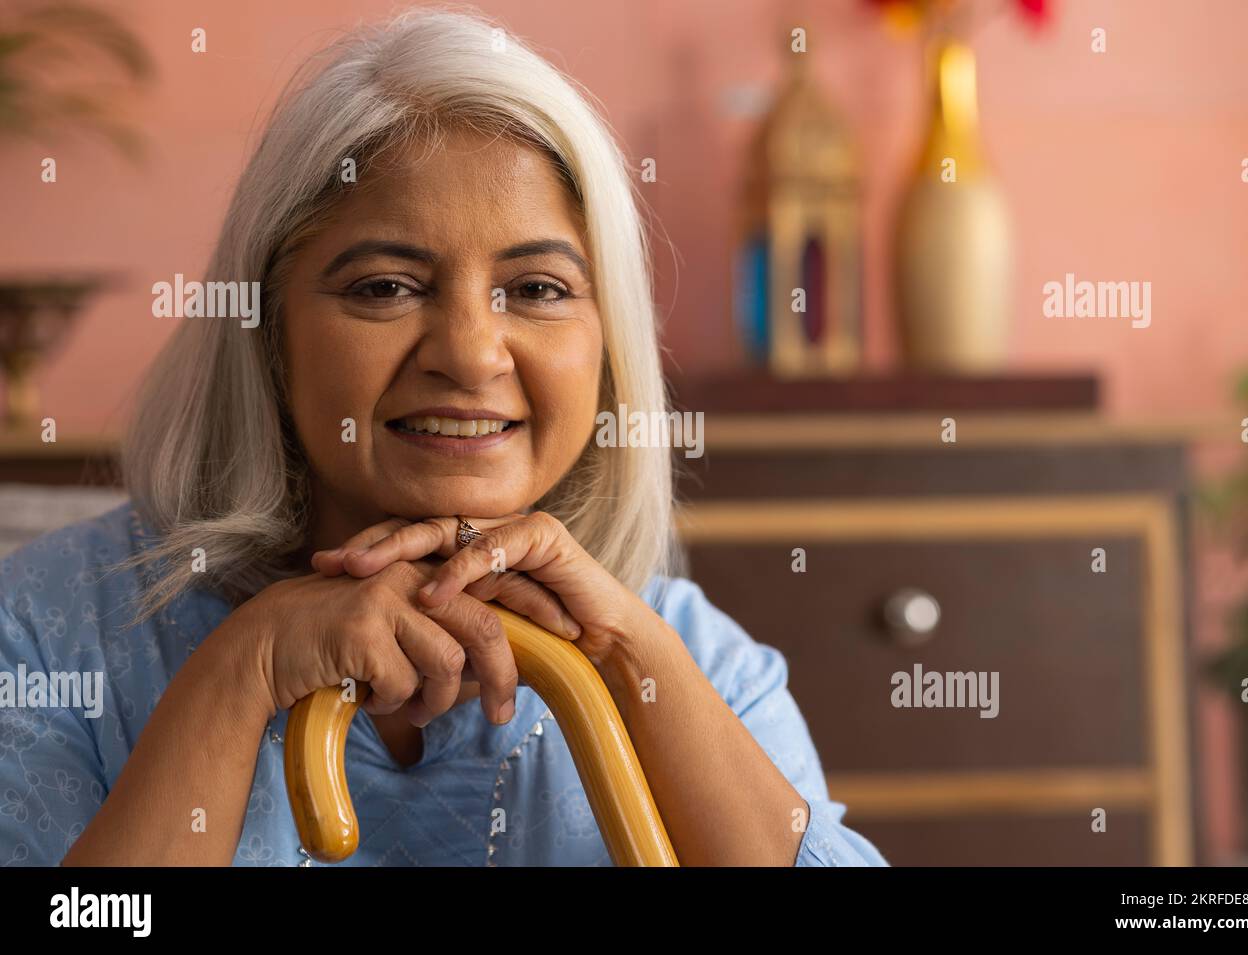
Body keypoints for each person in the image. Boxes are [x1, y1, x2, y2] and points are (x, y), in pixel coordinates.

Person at [0, 7, 887, 867]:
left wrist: (629, 665)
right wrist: (245, 673)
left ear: (607, 340)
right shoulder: (45, 630)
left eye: (537, 289)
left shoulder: (687, 651)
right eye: (385, 287)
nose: (469, 355)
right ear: (268, 330)